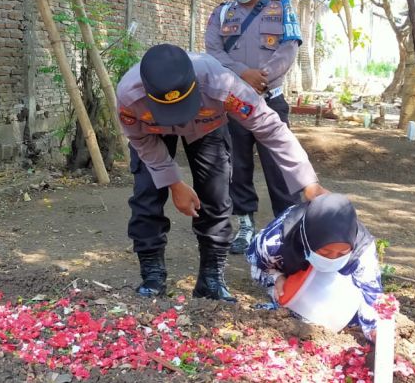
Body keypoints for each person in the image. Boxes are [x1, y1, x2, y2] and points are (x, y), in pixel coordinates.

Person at [119, 43, 328, 302]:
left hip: (207, 129)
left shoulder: (224, 85)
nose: (178, 120)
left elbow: (270, 128)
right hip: (153, 135)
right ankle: (152, 278)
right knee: (146, 195)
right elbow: (140, 141)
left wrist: (307, 181)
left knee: (216, 197)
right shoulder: (130, 96)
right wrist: (174, 183)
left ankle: (211, 279)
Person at [205, 0, 303, 255]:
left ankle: (286, 230)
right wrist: (242, 74)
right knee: (238, 165)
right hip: (234, 102)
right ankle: (245, 227)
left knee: (280, 166)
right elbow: (213, 51)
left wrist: (262, 77)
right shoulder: (222, 13)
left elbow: (288, 49)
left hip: (270, 99)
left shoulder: (282, 9)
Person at [246, 193, 383, 339]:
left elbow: (371, 293)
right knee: (297, 316)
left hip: (340, 282)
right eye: (325, 252)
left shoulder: (362, 249)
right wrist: (276, 277)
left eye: (342, 253)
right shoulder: (275, 241)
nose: (332, 258)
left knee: (355, 318)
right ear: (307, 240)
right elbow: (255, 263)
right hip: (294, 273)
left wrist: (374, 330)